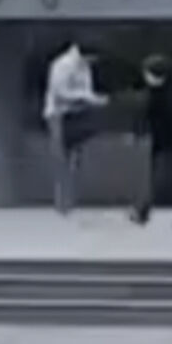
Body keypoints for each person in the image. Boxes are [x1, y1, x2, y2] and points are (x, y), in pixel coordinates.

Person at [129, 54, 172, 227]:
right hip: (168, 140)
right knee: (170, 177)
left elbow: (151, 117)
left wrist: (140, 133)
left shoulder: (160, 96)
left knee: (160, 178)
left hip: (167, 141)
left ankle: (144, 211)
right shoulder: (169, 93)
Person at [43, 38, 110, 215]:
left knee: (75, 158)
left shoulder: (84, 66)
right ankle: (61, 202)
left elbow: (86, 90)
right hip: (59, 114)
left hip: (77, 114)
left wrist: (94, 100)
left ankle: (69, 200)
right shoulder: (63, 65)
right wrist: (85, 97)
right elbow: (59, 92)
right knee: (60, 158)